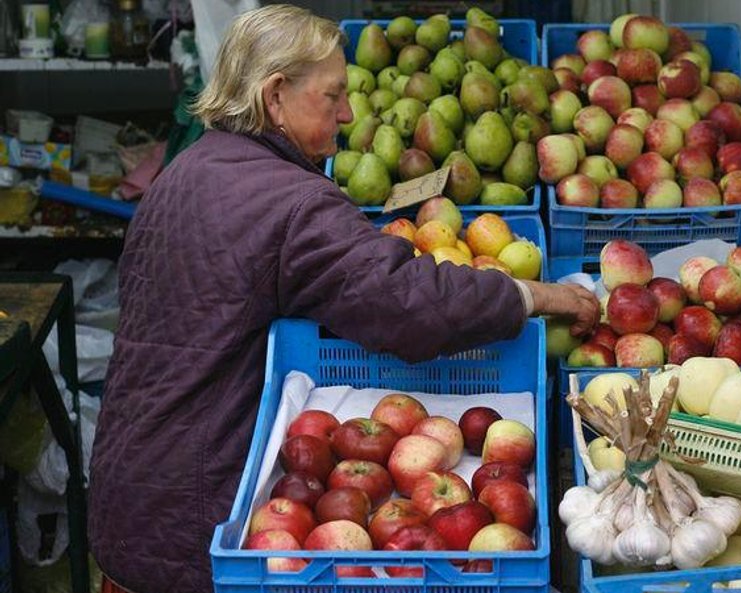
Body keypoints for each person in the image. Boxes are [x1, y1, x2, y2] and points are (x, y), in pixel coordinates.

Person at [88, 5, 599, 592]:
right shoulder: (292, 203)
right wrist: (535, 295)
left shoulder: (179, 175)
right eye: (332, 95)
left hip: (130, 493)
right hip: (198, 518)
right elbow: (411, 303)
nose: (349, 113)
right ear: (275, 95)